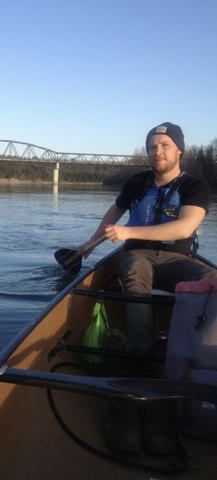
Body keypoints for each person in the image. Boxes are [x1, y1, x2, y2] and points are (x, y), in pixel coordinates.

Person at [79, 122, 216, 455]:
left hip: (177, 260)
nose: (158, 151)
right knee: (135, 278)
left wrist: (127, 232)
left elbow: (185, 226)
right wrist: (90, 244)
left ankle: (201, 363)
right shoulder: (138, 182)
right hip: (137, 255)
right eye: (152, 146)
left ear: (179, 149)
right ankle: (142, 362)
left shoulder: (194, 185)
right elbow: (115, 212)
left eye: (165, 145)